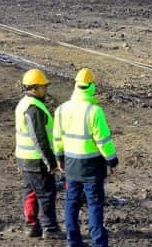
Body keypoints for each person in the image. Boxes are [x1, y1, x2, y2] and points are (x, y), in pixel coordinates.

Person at [53, 69, 119, 247]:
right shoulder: (94, 111)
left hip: (71, 165)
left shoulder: (61, 110)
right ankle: (99, 242)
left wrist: (59, 158)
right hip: (92, 167)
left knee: (71, 203)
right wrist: (112, 160)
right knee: (95, 204)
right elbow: (103, 141)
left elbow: (57, 139)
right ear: (91, 87)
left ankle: (73, 241)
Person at [14, 69, 61, 239]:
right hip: (36, 160)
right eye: (43, 86)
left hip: (25, 159)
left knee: (31, 193)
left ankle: (32, 226)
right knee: (46, 193)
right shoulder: (34, 108)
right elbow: (39, 137)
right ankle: (50, 228)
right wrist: (50, 160)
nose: (46, 89)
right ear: (34, 88)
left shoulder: (24, 104)